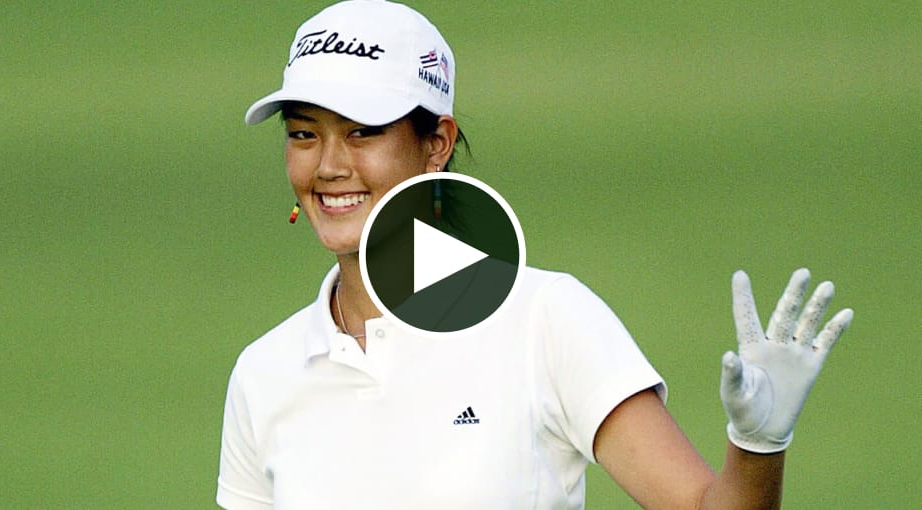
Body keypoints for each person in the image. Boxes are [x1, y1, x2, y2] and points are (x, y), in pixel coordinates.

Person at [217, 1, 854, 509]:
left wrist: (757, 445)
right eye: (304, 133)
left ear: (437, 143)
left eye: (363, 132)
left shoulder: (545, 319)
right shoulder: (264, 373)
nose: (329, 166)